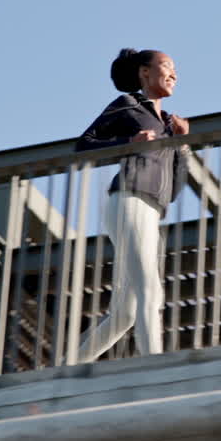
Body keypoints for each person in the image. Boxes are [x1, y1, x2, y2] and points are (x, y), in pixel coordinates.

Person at [74, 48, 190, 360]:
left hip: (152, 211)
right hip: (128, 200)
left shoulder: (168, 124)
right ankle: (155, 366)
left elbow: (175, 188)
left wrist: (182, 144)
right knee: (150, 290)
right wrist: (129, 143)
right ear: (144, 72)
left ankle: (69, 367)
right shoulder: (127, 105)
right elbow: (83, 145)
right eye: (167, 65)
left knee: (125, 314)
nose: (174, 74)